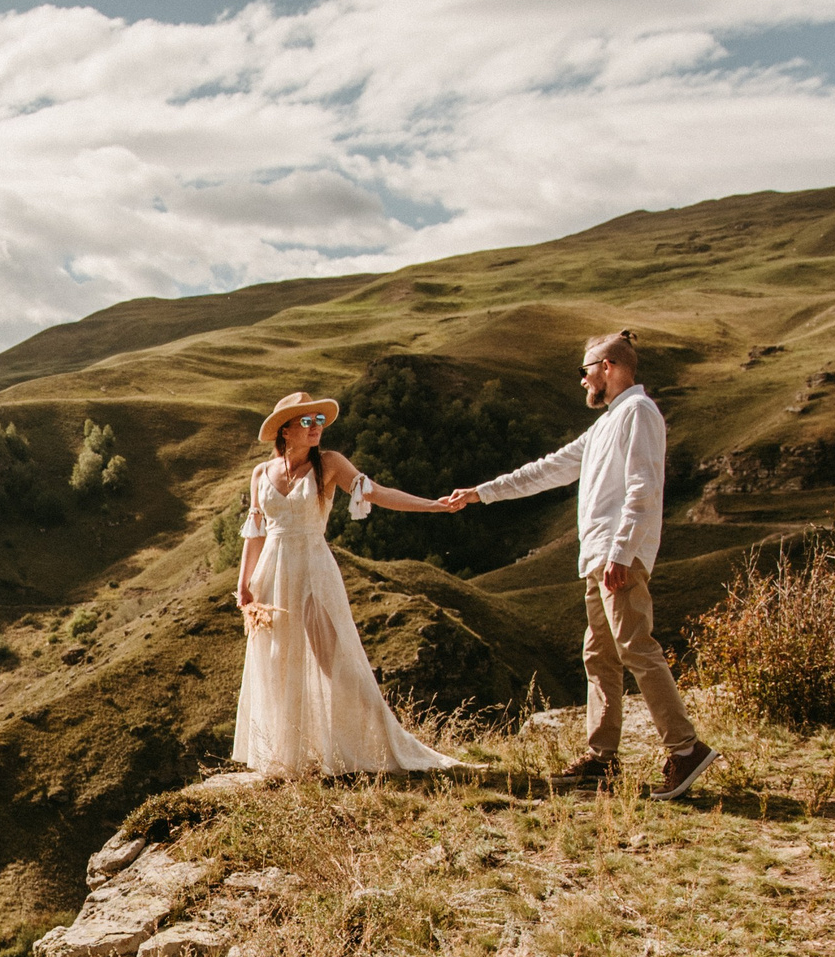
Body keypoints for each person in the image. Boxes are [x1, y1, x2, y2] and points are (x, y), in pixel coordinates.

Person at [450, 331, 719, 800]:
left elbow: (642, 486)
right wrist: (481, 492)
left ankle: (685, 750)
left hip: (618, 555)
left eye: (585, 370)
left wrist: (620, 552)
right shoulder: (607, 423)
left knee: (636, 647)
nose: (582, 382)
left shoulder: (638, 412)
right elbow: (547, 469)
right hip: (599, 557)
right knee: (600, 656)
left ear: (609, 365)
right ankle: (601, 759)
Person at [231, 391, 467, 777]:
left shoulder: (330, 464)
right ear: (285, 430)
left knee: (333, 657)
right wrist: (244, 585)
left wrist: (433, 505)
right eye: (306, 422)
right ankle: (286, 757)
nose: (316, 428)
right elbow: (255, 533)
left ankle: (374, 743)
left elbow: (376, 493)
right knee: (276, 659)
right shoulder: (261, 474)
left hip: (312, 566)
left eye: (318, 421)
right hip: (271, 573)